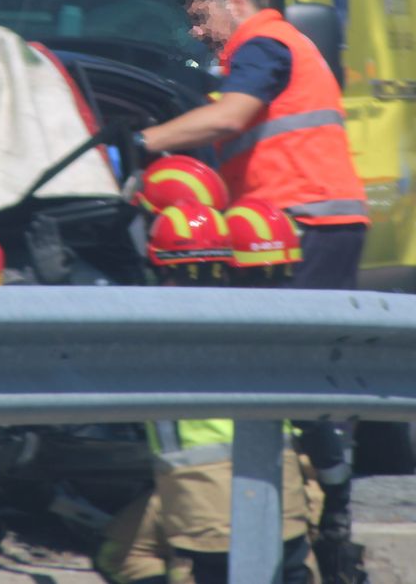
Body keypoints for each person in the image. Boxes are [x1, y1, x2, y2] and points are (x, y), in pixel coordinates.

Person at [136, 0, 369, 583]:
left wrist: (139, 144)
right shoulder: (261, 51)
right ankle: (319, 517)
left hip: (307, 221)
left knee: (298, 378)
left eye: (201, 16)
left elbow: (228, 118)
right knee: (293, 376)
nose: (197, 31)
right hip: (294, 223)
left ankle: (328, 519)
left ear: (235, 2)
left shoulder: (264, 44)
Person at [95, 202, 315, 584]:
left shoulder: (148, 331)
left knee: (129, 554)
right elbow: (319, 427)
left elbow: (92, 379)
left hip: (199, 511)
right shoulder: (271, 326)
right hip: (284, 500)